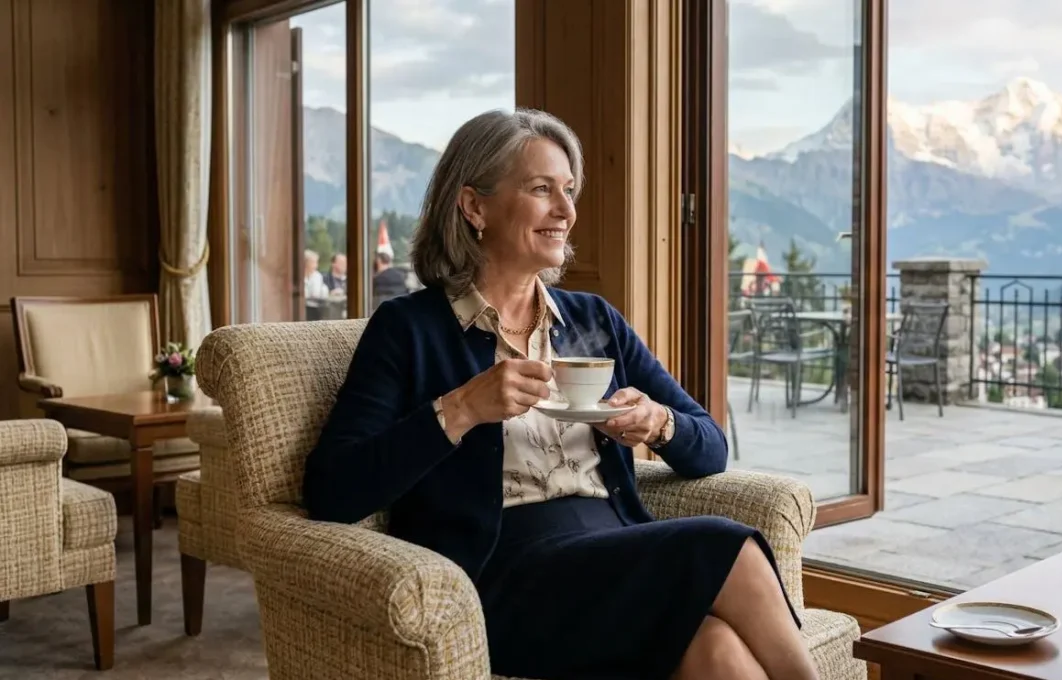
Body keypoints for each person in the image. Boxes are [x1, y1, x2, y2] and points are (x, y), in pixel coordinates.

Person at [302, 108, 818, 680]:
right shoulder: (409, 329)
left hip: (614, 552)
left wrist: (657, 423)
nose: (566, 211)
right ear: (475, 207)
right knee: (728, 545)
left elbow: (710, 447)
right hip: (503, 578)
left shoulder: (592, 319)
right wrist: (461, 409)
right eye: (541, 189)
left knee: (716, 648)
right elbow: (333, 491)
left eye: (568, 190)